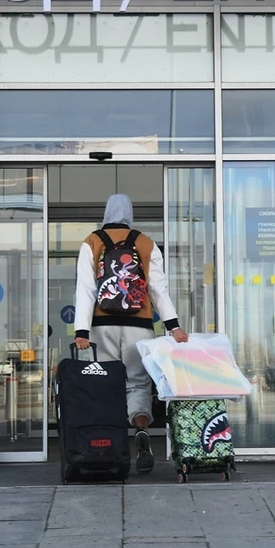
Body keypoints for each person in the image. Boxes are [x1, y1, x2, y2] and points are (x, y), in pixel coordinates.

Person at [74, 194, 188, 474]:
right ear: (130, 214)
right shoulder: (146, 243)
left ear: (106, 212)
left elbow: (86, 289)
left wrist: (81, 331)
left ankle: (109, 443)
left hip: (102, 325)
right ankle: (141, 426)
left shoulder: (92, 241)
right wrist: (174, 326)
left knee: (105, 384)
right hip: (140, 326)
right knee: (138, 384)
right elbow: (158, 290)